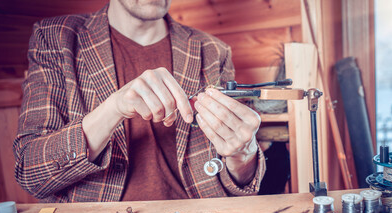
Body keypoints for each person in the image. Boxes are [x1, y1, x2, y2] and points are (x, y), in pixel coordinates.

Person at [13, 0, 266, 202]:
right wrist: (114, 108)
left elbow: (241, 185)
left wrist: (244, 155)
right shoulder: (56, 38)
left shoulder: (213, 50)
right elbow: (30, 172)